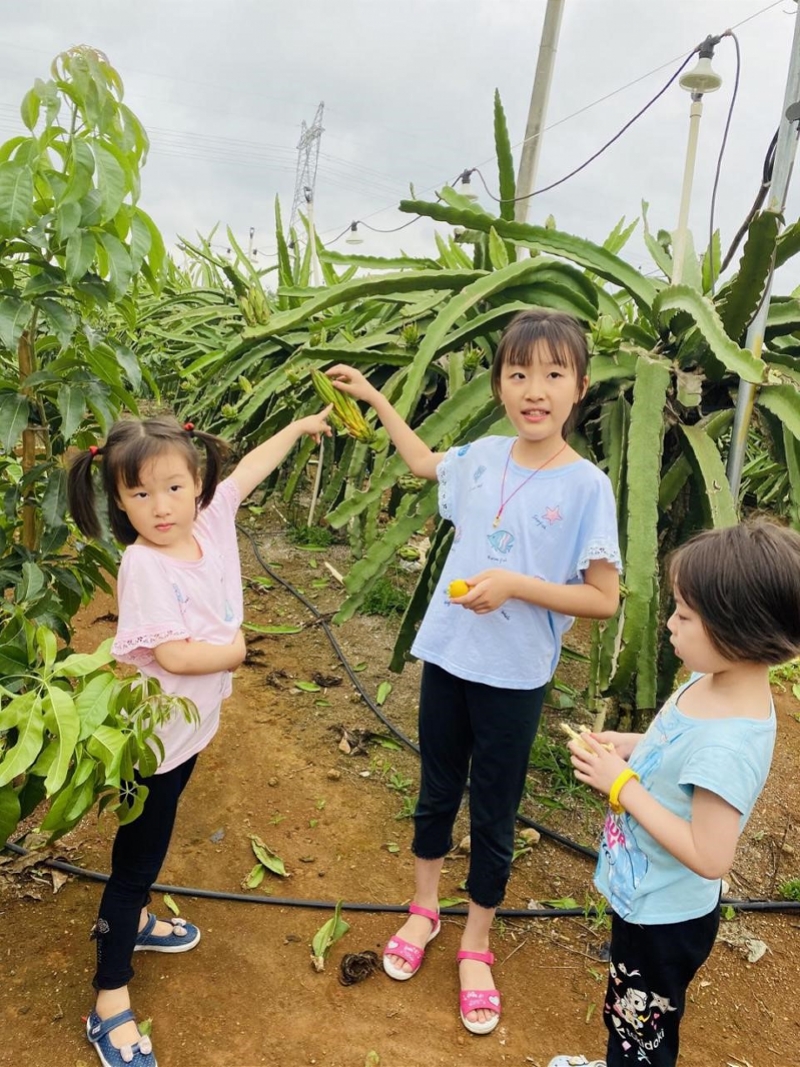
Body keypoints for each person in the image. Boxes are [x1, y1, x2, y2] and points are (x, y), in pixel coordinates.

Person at [327, 309, 622, 1035]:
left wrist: (516, 583)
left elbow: (603, 597)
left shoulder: (587, 487)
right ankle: (424, 908)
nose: (535, 389)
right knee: (434, 790)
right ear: (499, 384)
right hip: (451, 655)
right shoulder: (485, 454)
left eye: (553, 374)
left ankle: (477, 940)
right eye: (519, 373)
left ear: (579, 387)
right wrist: (375, 399)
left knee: (494, 810)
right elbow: (426, 462)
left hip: (516, 675)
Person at [67, 409, 331, 1067]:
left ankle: (142, 924)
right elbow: (178, 656)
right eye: (139, 494)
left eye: (173, 488)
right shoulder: (144, 566)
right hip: (152, 743)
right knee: (136, 858)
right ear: (118, 499)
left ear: (196, 483)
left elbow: (247, 472)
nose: (160, 507)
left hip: (186, 734)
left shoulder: (209, 521)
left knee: (154, 842)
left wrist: (298, 429)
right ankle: (109, 1000)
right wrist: (236, 651)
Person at [550, 520, 800, 1067]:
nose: (670, 624)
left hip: (664, 919)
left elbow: (711, 856)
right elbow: (675, 744)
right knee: (627, 1011)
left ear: (740, 631)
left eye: (685, 615)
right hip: (646, 898)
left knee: (641, 1036)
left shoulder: (729, 746)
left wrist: (623, 787)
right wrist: (634, 746)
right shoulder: (711, 682)